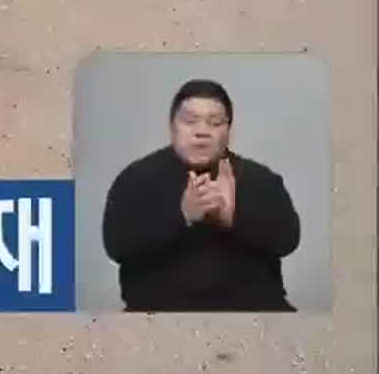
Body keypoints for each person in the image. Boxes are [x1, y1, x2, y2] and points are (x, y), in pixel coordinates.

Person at [101, 79, 301, 313]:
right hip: (159, 315)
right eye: (190, 121)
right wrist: (182, 216)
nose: (202, 132)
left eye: (214, 123)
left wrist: (233, 218)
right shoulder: (137, 177)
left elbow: (288, 240)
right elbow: (116, 245)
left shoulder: (260, 178)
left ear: (229, 131)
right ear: (172, 126)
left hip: (253, 312)